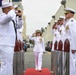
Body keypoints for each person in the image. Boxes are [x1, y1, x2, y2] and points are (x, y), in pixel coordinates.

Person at [0, 2, 22, 75]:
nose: (13, 10)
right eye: (10, 8)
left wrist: (19, 17)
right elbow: (9, 17)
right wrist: (12, 10)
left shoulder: (9, 18)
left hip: (8, 44)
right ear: (6, 9)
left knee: (8, 65)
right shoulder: (2, 16)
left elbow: (18, 26)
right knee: (6, 65)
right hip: (5, 44)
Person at [64, 7, 76, 75]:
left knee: (72, 63)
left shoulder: (72, 22)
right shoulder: (68, 22)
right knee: (69, 62)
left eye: (67, 13)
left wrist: (74, 47)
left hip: (71, 45)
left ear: (71, 14)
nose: (65, 14)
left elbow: (74, 34)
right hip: (68, 45)